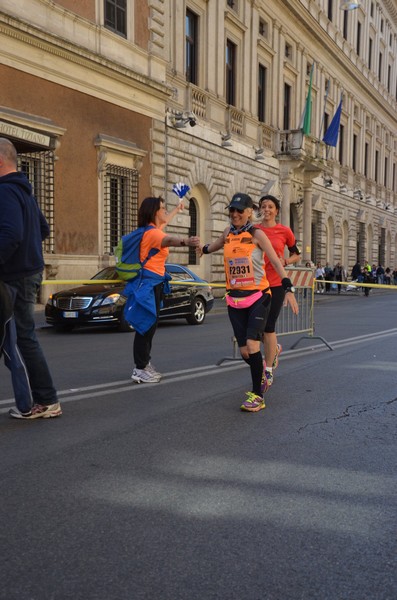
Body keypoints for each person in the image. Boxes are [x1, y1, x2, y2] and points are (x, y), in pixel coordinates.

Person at [198, 192, 298, 412]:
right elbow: (213, 246)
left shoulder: (257, 234)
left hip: (258, 297)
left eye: (239, 210)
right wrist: (202, 249)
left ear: (249, 212)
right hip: (234, 300)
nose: (234, 214)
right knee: (245, 352)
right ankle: (261, 371)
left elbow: (274, 259)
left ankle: (257, 395)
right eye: (232, 210)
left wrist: (288, 286)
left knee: (253, 344)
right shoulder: (227, 233)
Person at [0, 137, 61, 419]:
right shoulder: (24, 191)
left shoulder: (5, 192)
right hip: (28, 272)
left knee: (24, 337)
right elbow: (43, 229)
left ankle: (47, 400)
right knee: (22, 338)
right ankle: (44, 399)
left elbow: (11, 234)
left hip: (16, 276)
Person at [125, 196, 200, 384]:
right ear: (154, 212)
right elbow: (169, 240)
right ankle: (140, 368)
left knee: (150, 324)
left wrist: (177, 209)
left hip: (153, 283)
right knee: (146, 326)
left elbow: (165, 223)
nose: (165, 211)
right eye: (162, 208)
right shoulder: (153, 234)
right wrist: (186, 241)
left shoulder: (153, 230)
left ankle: (144, 363)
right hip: (148, 284)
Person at [257, 194, 300, 390]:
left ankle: (268, 369)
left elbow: (296, 254)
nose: (266, 209)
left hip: (275, 283)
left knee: (268, 326)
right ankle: (274, 349)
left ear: (276, 211)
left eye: (270, 207)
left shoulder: (284, 231)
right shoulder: (254, 230)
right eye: (263, 206)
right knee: (257, 328)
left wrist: (285, 261)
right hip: (257, 283)